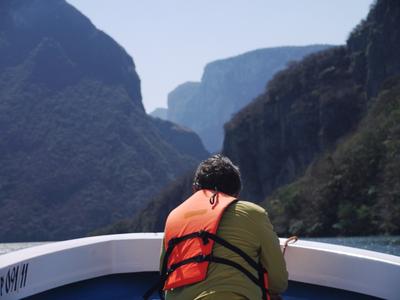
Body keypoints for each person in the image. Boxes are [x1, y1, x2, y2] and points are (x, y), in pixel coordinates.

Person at [158, 154, 288, 300]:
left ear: (195, 190)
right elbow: (277, 282)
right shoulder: (253, 214)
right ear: (237, 193)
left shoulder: (173, 217)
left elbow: (164, 276)